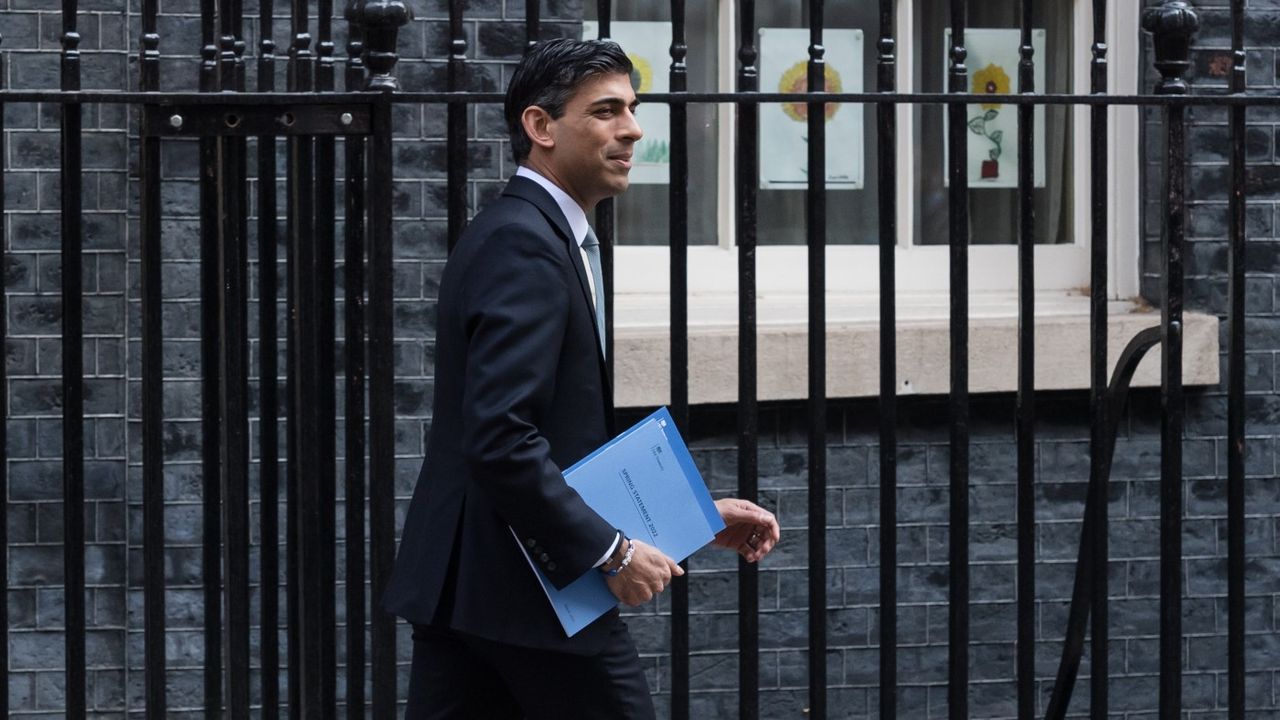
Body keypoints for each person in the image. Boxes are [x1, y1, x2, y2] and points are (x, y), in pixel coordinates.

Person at [382, 37, 781, 719]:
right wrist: (613, 550)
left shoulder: (538, 235)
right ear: (541, 127)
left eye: (631, 108)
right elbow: (502, 437)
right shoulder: (526, 245)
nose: (632, 128)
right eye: (604, 111)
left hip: (477, 588)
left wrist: (689, 518)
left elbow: (551, 434)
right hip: (529, 596)